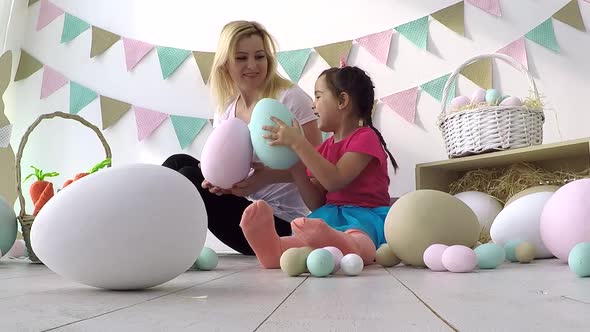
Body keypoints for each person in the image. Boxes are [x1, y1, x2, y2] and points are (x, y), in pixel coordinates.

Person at [162, 21, 322, 255]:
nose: (252, 66)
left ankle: (162, 244)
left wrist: (265, 178)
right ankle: (157, 236)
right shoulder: (227, 107)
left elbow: (319, 167)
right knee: (177, 163)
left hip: (277, 224)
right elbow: (228, 167)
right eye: (241, 58)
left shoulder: (290, 98)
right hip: (243, 204)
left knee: (187, 177)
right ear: (225, 64)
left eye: (259, 56)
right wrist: (217, 183)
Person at [238, 65, 398, 268]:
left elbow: (335, 180)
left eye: (318, 96)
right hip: (330, 215)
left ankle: (340, 242)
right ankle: (274, 249)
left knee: (360, 242)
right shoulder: (324, 149)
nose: (313, 105)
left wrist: (299, 143)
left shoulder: (365, 137)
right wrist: (296, 169)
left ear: (342, 101)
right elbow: (316, 202)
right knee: (302, 243)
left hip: (365, 215)